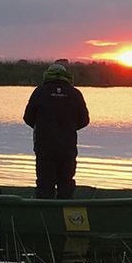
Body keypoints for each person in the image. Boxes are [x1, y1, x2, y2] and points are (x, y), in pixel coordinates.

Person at [23, 60, 90, 199]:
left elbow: (28, 118)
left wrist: (42, 128)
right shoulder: (75, 93)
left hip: (44, 147)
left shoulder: (39, 92)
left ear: (48, 75)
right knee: (66, 184)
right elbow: (84, 120)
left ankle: (44, 214)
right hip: (67, 147)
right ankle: (64, 213)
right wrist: (68, 128)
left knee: (44, 184)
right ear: (66, 75)